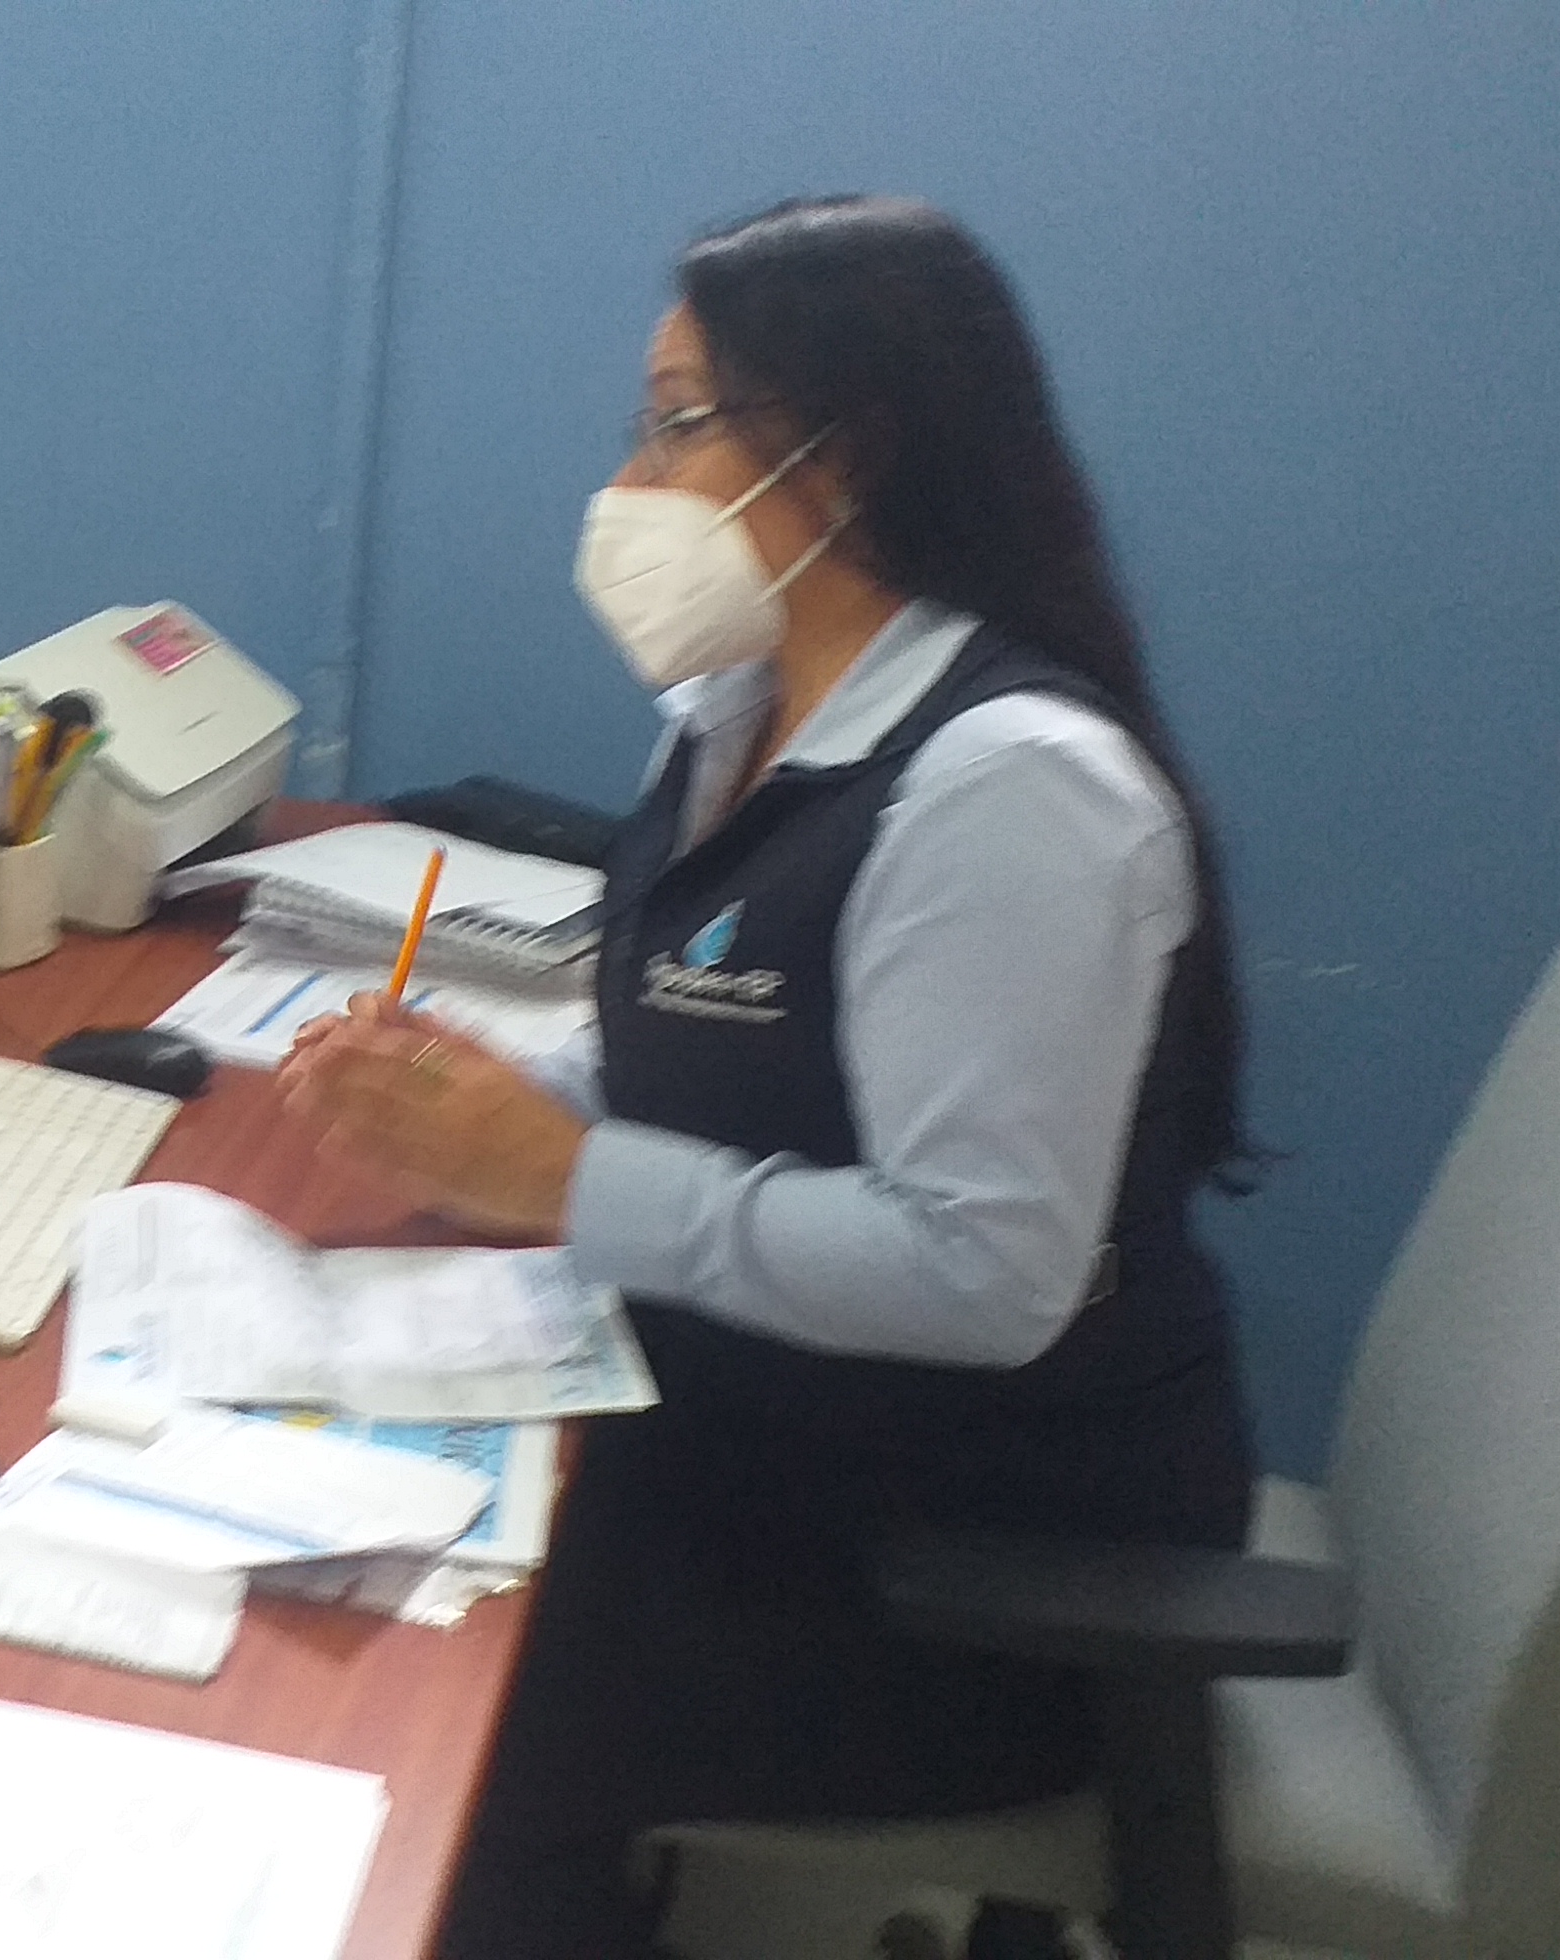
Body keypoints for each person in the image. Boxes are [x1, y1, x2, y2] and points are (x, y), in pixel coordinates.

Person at [281, 196, 1261, 1956]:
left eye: (678, 426)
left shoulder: (1009, 790)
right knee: (351, 1555)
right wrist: (490, 1102)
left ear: (850, 453)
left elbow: (983, 1268)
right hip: (757, 1456)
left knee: (409, 1696)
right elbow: (722, 1057)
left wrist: (559, 1179)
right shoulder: (742, 713)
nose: (630, 482)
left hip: (967, 1582)